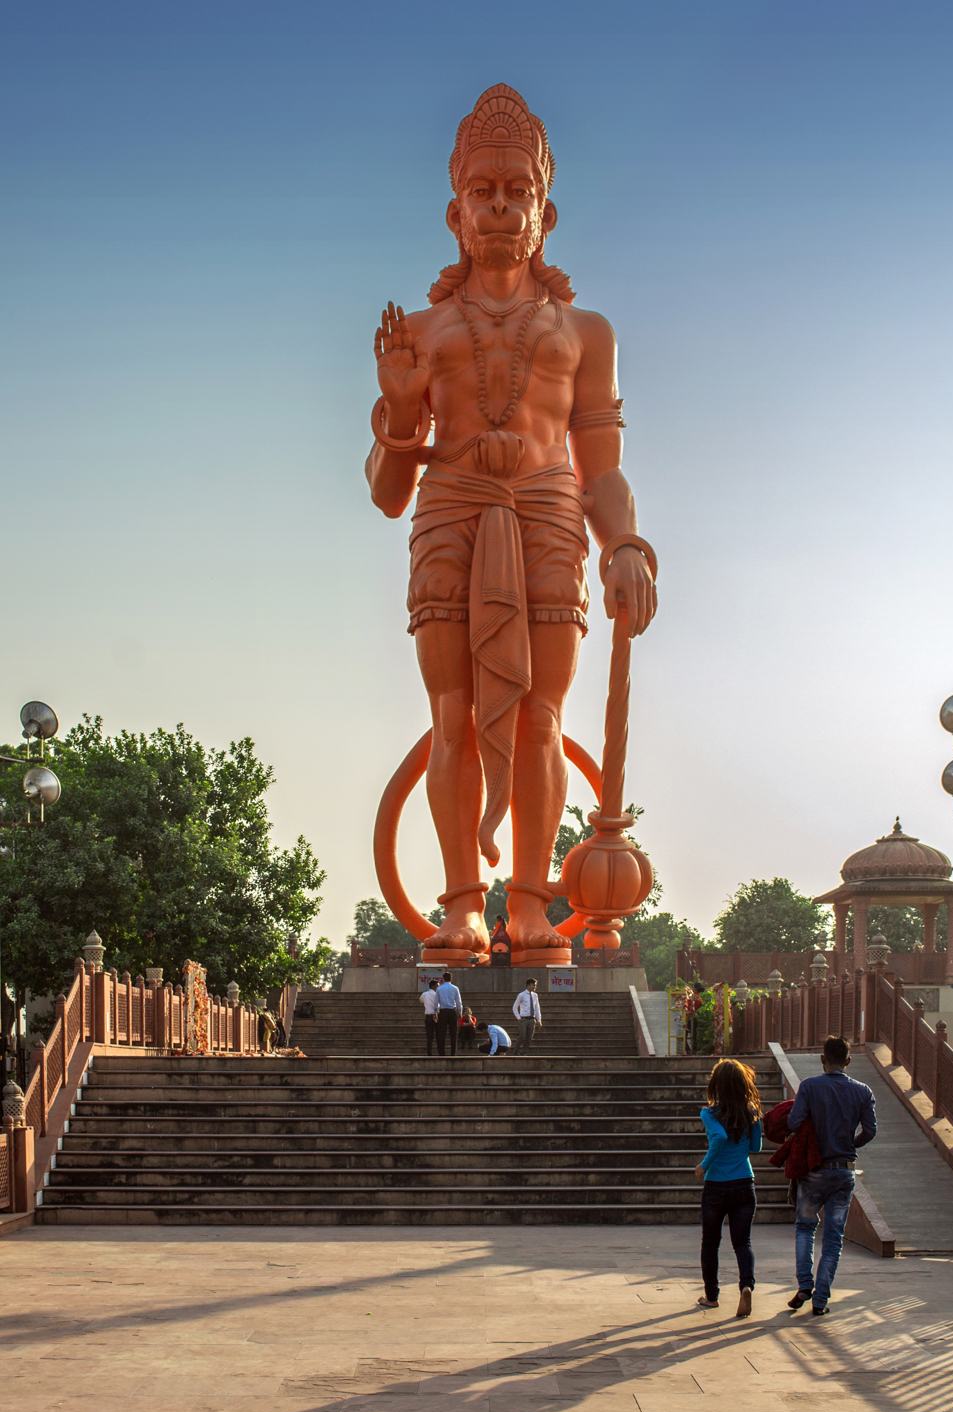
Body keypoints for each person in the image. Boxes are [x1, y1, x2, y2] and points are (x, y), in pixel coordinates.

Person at [366, 83, 657, 960]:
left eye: (516, 191)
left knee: (541, 715)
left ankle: (528, 905)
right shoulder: (418, 332)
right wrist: (401, 410)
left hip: (548, 514)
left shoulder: (588, 333)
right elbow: (387, 491)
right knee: (452, 711)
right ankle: (462, 904)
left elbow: (601, 465)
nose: (499, 206)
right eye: (481, 191)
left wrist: (624, 544)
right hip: (450, 511)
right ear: (455, 213)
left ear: (545, 213)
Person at [786, 1034, 877, 1316]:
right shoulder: (863, 1091)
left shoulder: (809, 1086)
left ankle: (805, 1284)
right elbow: (870, 1130)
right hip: (843, 1171)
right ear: (848, 1061)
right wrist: (850, 1144)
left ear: (822, 1058)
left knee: (805, 1227)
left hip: (814, 1171)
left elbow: (793, 1122)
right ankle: (821, 1300)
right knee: (834, 1237)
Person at [694, 1058, 762, 1319]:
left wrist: (703, 1165)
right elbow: (755, 1147)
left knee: (710, 1243)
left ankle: (711, 1296)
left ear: (717, 1084)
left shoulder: (709, 1113)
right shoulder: (751, 1112)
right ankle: (746, 1286)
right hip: (744, 1183)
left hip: (716, 1186)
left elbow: (720, 1137)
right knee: (743, 1242)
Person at [434, 971, 462, 1057]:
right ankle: (453, 1052)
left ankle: (442, 1052)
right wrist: (460, 1012)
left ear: (443, 979)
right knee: (453, 1033)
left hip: (443, 1012)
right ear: (451, 979)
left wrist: (435, 1012)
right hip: (452, 1011)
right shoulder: (455, 988)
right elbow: (459, 1002)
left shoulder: (439, 989)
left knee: (442, 1033)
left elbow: (436, 1002)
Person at [512, 978, 542, 1054]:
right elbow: (515, 1007)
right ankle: (515, 1051)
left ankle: (523, 1053)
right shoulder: (521, 995)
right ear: (528, 985)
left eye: (535, 985)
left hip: (532, 1019)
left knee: (529, 1038)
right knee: (522, 1036)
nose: (535, 987)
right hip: (524, 1018)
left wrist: (539, 1020)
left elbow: (537, 1008)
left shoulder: (535, 995)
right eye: (533, 985)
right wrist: (518, 1017)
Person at [420, 977, 440, 1057]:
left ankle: (429, 1053)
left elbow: (421, 1000)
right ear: (433, 986)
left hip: (428, 1016)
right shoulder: (437, 995)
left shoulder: (424, 994)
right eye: (437, 986)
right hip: (436, 1016)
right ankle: (440, 1052)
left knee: (429, 1036)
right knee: (439, 1036)